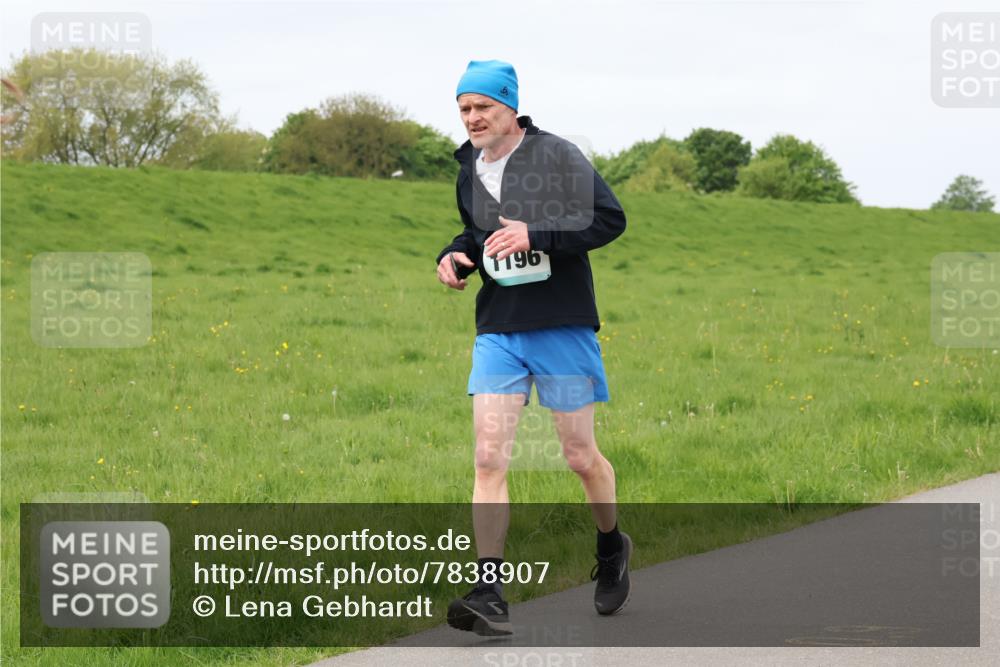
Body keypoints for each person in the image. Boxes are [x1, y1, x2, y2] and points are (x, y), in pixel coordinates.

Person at [436, 59, 631, 637]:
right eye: (464, 109)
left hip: (561, 325)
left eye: (483, 107)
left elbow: (609, 219)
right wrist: (455, 255)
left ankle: (611, 545)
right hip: (499, 328)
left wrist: (536, 234)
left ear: (510, 107)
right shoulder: (468, 167)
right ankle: (489, 592)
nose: (472, 118)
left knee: (579, 456)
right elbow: (478, 234)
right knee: (488, 458)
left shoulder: (557, 155)